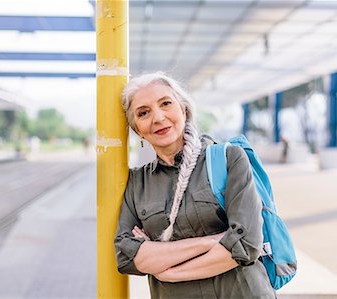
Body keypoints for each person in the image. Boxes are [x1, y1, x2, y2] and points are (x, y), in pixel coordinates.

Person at [114, 72, 276, 298]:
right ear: (137, 129)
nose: (158, 118)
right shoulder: (136, 184)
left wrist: (169, 271)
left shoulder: (229, 159)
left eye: (166, 104)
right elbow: (127, 256)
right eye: (143, 113)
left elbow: (246, 245)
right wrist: (212, 241)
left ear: (184, 109)